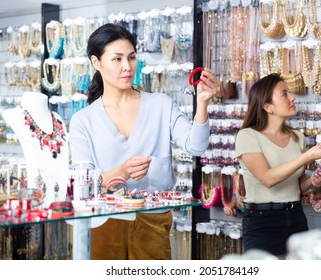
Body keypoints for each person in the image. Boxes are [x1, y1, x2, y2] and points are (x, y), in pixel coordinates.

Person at [69, 23, 219, 260]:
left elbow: (195, 146)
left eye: (131, 57)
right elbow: (83, 183)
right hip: (104, 222)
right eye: (116, 59)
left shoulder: (160, 104)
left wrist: (202, 103)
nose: (127, 67)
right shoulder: (82, 121)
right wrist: (122, 172)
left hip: (152, 221)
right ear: (96, 63)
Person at [235, 73, 321, 258]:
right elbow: (268, 178)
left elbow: (296, 185)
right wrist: (307, 156)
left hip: (296, 217)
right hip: (262, 223)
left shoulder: (297, 137)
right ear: (267, 107)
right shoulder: (247, 136)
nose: (292, 97)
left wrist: (311, 182)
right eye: (284, 94)